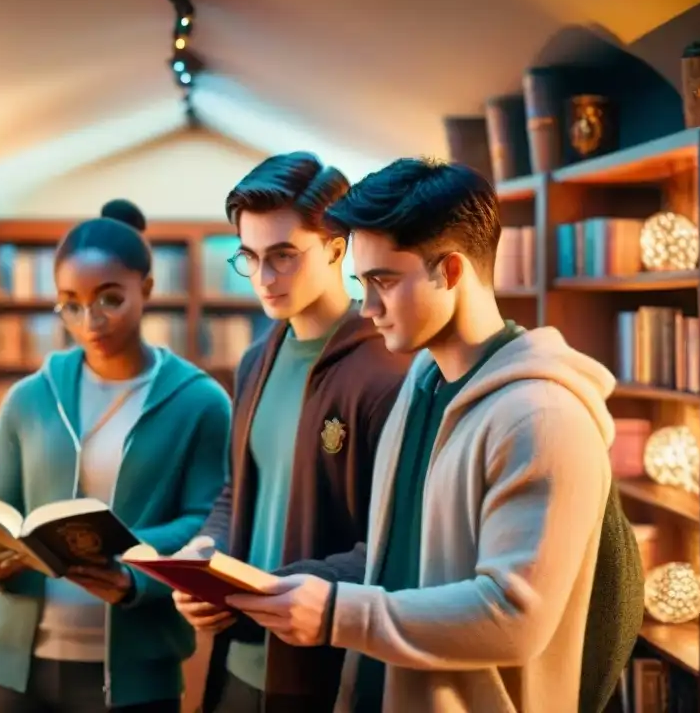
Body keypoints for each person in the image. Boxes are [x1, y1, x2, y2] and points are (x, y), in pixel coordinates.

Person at [225, 158, 644, 713]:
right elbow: (397, 557)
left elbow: (512, 618)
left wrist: (337, 614)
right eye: (363, 283)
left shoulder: (541, 415)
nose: (368, 308)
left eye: (384, 283)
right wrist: (287, 587)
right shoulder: (422, 385)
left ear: (449, 272)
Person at [0, 199, 232, 713]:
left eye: (110, 299)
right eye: (70, 303)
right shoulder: (29, 397)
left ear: (147, 290)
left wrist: (132, 564)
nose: (90, 321)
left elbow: (207, 521)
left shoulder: (200, 401)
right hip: (17, 667)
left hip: (139, 668)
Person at [170, 152, 409, 712]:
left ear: (334, 247)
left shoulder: (385, 370)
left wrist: (288, 585)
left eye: (283, 256)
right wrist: (204, 554)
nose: (264, 279)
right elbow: (238, 489)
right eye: (249, 258)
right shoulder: (257, 358)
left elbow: (399, 543)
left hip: (322, 667)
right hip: (237, 658)